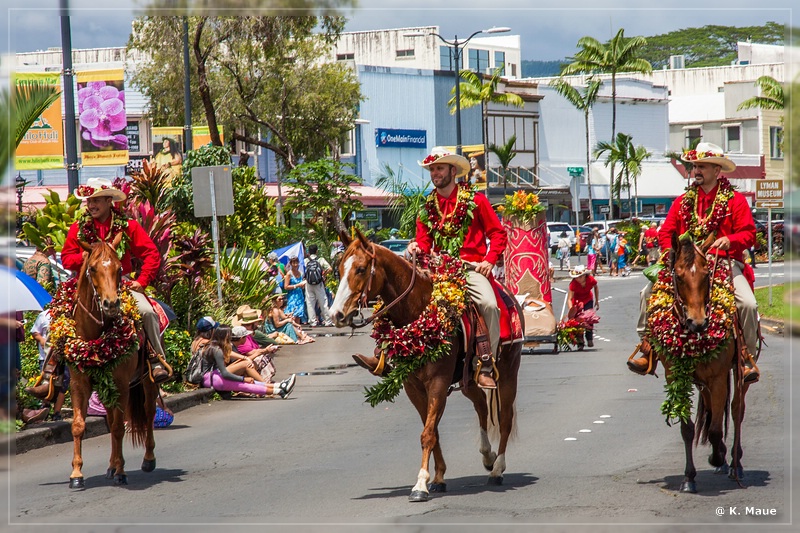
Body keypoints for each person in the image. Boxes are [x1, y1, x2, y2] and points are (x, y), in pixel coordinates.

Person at [353, 146, 507, 389]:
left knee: (488, 304)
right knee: (393, 299)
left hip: (469, 270)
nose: (435, 173)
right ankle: (383, 355)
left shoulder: (476, 200)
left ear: (452, 171)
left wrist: (488, 260)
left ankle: (486, 362)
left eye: (440, 168)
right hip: (435, 269)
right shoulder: (427, 207)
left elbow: (498, 234)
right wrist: (416, 247)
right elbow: (424, 242)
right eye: (432, 169)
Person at [27, 178, 170, 400]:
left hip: (118, 283)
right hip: (85, 282)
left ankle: (156, 361)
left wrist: (141, 281)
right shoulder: (79, 228)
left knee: (147, 311)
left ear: (108, 200)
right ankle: (49, 375)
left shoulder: (127, 226)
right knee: (55, 318)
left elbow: (151, 254)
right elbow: (66, 258)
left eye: (95, 201)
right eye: (89, 201)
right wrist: (83, 257)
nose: (90, 205)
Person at [629, 142, 760, 383]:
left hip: (724, 263)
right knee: (647, 293)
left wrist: (728, 241)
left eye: (702, 166)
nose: (696, 171)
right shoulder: (681, 202)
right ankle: (647, 348)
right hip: (685, 266)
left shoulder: (735, 201)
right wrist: (673, 255)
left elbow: (749, 234)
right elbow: (666, 232)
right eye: (695, 166)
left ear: (717, 171)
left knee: (748, 304)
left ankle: (745, 357)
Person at [198, 324, 296, 399]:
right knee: (245, 386)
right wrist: (243, 379)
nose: (230, 338)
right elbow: (224, 373)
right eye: (229, 335)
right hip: (212, 379)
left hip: (212, 377)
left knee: (248, 383)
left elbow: (231, 355)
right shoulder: (216, 350)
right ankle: (278, 390)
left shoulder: (215, 347)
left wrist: (246, 359)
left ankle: (279, 388)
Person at [29, 310, 67, 421]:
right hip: (46, 356)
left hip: (64, 356)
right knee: (47, 382)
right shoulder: (44, 315)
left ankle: (57, 412)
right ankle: (44, 408)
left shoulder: (67, 315)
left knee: (63, 383)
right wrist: (41, 340)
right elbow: (34, 332)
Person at [567, 265, 599, 349]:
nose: (578, 279)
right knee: (578, 321)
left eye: (580, 277)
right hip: (577, 302)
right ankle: (580, 342)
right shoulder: (573, 284)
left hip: (588, 299)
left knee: (589, 319)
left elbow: (596, 287)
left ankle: (589, 338)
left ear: (584, 275)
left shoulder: (590, 280)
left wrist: (597, 300)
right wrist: (571, 310)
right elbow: (569, 299)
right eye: (576, 277)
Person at [304, 244, 334, 327]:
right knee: (323, 302)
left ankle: (312, 322)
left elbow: (303, 272)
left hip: (308, 283)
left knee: (310, 303)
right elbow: (330, 268)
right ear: (317, 251)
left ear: (309, 252)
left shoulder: (306, 261)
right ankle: (328, 321)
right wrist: (323, 275)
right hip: (319, 283)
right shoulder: (320, 259)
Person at [283, 256, 308, 324]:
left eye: (296, 263)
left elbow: (301, 285)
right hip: (292, 296)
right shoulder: (289, 274)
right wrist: (296, 286)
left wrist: (302, 285)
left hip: (299, 296)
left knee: (299, 314)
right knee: (292, 314)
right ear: (291, 264)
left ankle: (298, 330)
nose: (295, 265)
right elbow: (286, 286)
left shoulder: (300, 273)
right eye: (293, 263)